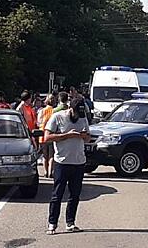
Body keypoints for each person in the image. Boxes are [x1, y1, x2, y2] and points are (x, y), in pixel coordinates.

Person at [44, 97, 91, 235]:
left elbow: (88, 137)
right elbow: (47, 137)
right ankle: (52, 224)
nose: (78, 116)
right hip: (62, 162)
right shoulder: (57, 117)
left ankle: (70, 222)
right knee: (57, 195)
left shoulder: (83, 118)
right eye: (76, 113)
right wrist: (67, 135)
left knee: (75, 195)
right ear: (70, 109)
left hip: (79, 162)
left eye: (80, 114)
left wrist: (84, 136)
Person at [39, 94, 57, 178]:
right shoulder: (54, 111)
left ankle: (45, 171)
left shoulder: (42, 111)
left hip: (42, 134)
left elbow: (38, 122)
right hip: (51, 134)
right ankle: (50, 172)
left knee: (45, 155)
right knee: (51, 155)